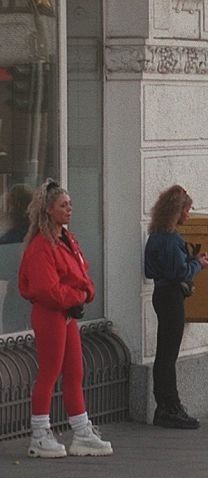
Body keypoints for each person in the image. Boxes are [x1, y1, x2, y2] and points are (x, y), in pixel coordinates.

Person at [20, 180, 111, 458]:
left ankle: (81, 430)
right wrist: (79, 296)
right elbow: (46, 289)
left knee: (74, 372)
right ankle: (39, 433)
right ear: (49, 210)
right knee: (49, 372)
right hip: (51, 314)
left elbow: (82, 275)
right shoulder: (41, 246)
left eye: (70, 204)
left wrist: (84, 293)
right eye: (63, 205)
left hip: (66, 313)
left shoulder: (66, 240)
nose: (70, 209)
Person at [144, 185, 208, 429]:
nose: (189, 215)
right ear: (177, 211)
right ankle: (169, 407)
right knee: (168, 355)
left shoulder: (155, 236)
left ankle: (166, 405)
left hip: (160, 293)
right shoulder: (171, 239)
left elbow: (151, 269)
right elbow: (179, 272)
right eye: (187, 210)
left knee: (165, 352)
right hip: (171, 295)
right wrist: (198, 265)